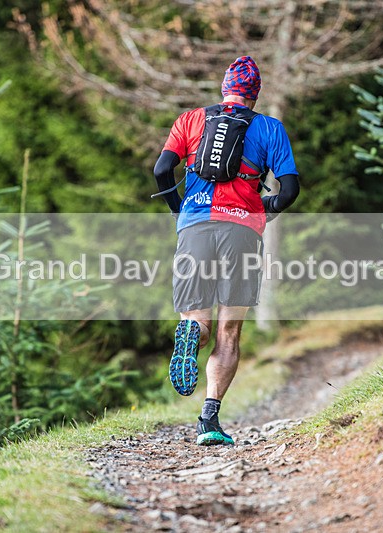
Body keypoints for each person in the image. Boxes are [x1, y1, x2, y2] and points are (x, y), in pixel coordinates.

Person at [153, 56, 300, 446]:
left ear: (224, 88)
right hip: (243, 234)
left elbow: (161, 170)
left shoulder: (191, 120)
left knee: (196, 318)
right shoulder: (270, 128)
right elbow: (289, 190)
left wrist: (177, 210)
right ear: (255, 94)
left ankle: (189, 332)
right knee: (229, 333)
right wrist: (262, 210)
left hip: (195, 228)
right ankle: (209, 419)